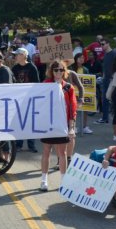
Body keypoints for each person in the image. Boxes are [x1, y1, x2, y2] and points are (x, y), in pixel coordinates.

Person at [39, 60, 75, 191]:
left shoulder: (69, 87)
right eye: (56, 70)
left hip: (62, 124)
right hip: (48, 124)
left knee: (62, 152)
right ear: (52, 71)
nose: (59, 72)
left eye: (61, 70)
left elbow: (72, 109)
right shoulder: (45, 85)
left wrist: (71, 128)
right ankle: (44, 180)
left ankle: (63, 181)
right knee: (46, 151)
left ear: (64, 71)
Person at [11, 47, 39, 153]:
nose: (15, 57)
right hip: (18, 99)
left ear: (23, 56)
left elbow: (36, 84)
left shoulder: (32, 67)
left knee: (30, 122)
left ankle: (31, 145)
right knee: (19, 122)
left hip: (30, 99)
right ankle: (18, 144)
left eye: (17, 55)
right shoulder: (14, 68)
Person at [97, 39, 115, 124]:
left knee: (108, 98)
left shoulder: (113, 53)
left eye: (103, 44)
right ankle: (105, 118)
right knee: (105, 99)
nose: (101, 46)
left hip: (111, 79)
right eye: (100, 44)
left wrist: (113, 77)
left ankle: (106, 118)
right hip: (106, 79)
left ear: (108, 43)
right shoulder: (106, 54)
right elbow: (105, 67)